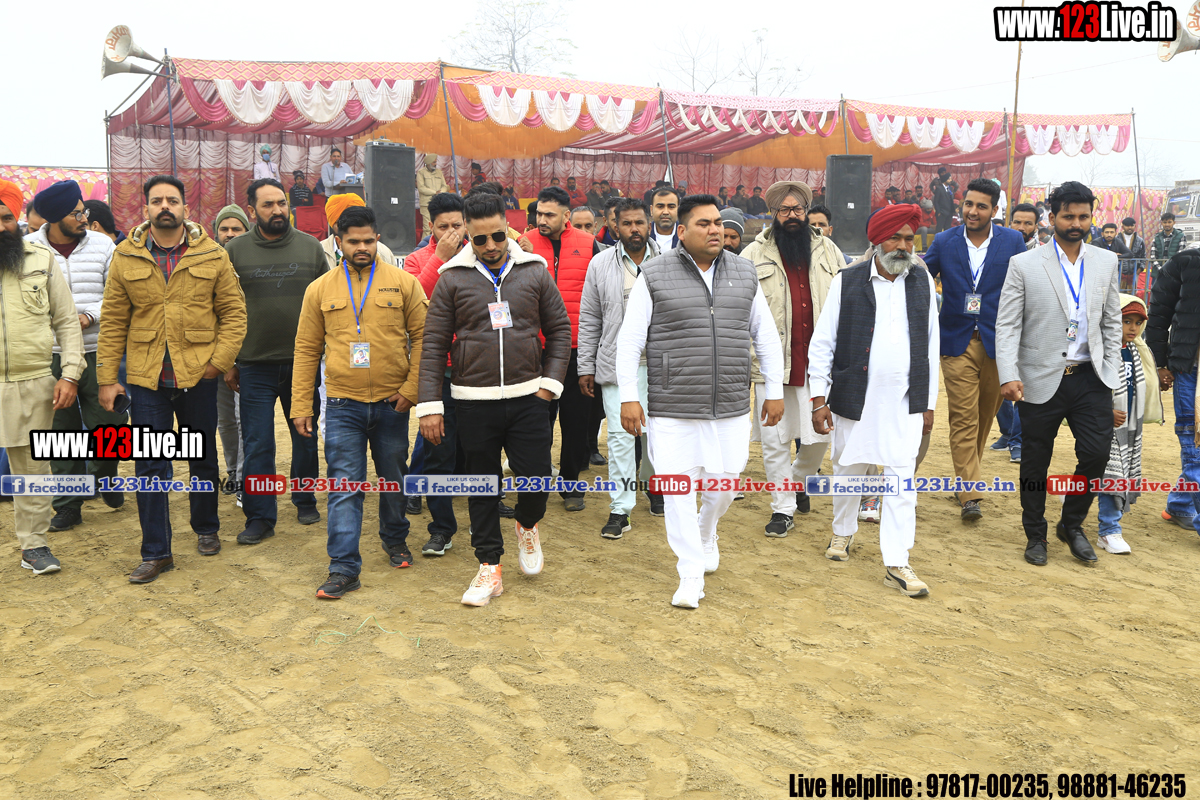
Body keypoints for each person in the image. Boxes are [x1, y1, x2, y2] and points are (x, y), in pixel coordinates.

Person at [616, 194, 783, 607]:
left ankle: (707, 529)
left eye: (717, 223)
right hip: (673, 406)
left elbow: (765, 335)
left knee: (724, 486)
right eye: (704, 224)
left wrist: (775, 390)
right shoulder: (655, 274)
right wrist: (628, 397)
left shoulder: (744, 272)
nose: (714, 230)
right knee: (677, 491)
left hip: (730, 404)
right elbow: (630, 341)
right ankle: (690, 574)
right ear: (682, 230)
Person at [416, 192, 571, 607]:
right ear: (468, 235)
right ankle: (489, 566)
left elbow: (560, 330)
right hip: (472, 401)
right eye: (480, 239)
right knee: (482, 486)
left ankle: (527, 524)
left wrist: (549, 386)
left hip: (529, 399)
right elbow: (433, 346)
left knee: (536, 480)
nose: (490, 246)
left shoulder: (534, 271)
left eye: (498, 236)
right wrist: (430, 405)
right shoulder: (452, 278)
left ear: (509, 228)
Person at [97, 175, 248, 583]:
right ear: (145, 208)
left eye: (172, 200)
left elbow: (234, 314)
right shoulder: (126, 255)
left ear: (185, 207)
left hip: (198, 375)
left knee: (202, 457)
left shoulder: (212, 254)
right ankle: (156, 552)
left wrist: (217, 363)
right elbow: (113, 321)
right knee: (149, 465)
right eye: (157, 200)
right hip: (147, 380)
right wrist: (107, 378)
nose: (165, 206)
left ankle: (206, 527)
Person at [289, 205, 425, 597]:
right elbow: (306, 349)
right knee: (344, 483)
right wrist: (301, 405)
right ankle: (343, 568)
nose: (361, 247)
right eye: (353, 242)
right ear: (339, 242)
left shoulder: (403, 283)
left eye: (368, 240)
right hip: (342, 404)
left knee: (393, 477)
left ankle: (395, 538)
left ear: (377, 238)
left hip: (392, 403)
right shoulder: (320, 289)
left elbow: (424, 338)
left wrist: (411, 390)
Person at [808, 203, 939, 597]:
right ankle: (842, 531)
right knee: (848, 468)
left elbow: (931, 345)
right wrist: (818, 398)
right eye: (895, 238)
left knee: (901, 480)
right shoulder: (847, 281)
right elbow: (823, 343)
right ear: (877, 241)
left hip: (905, 401)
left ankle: (897, 561)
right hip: (855, 396)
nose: (903, 246)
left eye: (908, 239)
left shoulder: (921, 280)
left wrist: (929, 403)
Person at [996, 181, 1121, 567]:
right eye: (1068, 216)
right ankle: (1035, 533)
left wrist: (1112, 375)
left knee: (1097, 454)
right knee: (1035, 460)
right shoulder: (1024, 264)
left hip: (1090, 377)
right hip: (1039, 376)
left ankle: (1071, 524)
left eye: (1083, 216)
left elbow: (1112, 323)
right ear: (1052, 218)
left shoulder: (1106, 262)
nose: (1076, 223)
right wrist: (1008, 374)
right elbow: (1007, 324)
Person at [224, 177, 328, 544]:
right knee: (258, 443)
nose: (277, 210)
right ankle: (260, 516)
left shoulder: (311, 248)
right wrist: (229, 361)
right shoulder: (234, 251)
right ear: (252, 210)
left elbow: (327, 304)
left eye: (281, 203)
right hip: (253, 365)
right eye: (268, 205)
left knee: (305, 436)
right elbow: (222, 308)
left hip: (303, 364)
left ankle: (304, 499)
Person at [740, 182, 846, 537]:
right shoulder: (752, 254)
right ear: (774, 213)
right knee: (774, 441)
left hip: (819, 364)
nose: (792, 216)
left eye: (798, 209)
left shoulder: (829, 250)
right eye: (784, 210)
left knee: (820, 437)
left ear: (806, 211)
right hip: (772, 364)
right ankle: (782, 508)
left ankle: (798, 481)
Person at [921, 178, 1027, 523]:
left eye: (981, 206)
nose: (973, 211)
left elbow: (1026, 287)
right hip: (957, 341)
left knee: (984, 416)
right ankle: (970, 494)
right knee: (963, 416)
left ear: (994, 210)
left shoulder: (1012, 241)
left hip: (1000, 344)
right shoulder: (944, 241)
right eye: (968, 204)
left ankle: (967, 476)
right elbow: (920, 276)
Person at [25, 180, 126, 532]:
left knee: (111, 425)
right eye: (76, 213)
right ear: (55, 218)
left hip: (100, 350)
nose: (84, 218)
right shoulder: (29, 250)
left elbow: (116, 293)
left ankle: (106, 475)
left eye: (84, 211)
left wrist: (88, 316)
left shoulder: (103, 245)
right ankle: (68, 505)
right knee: (60, 433)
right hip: (49, 355)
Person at [0, 180, 85, 575]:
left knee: (32, 468)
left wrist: (69, 374)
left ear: (16, 218)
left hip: (33, 380)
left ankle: (34, 546)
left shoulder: (41, 260)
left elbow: (66, 322)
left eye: (5, 218)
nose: (0, 226)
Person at [578, 198, 665, 538]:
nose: (634, 229)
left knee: (658, 434)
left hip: (660, 365)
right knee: (619, 437)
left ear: (649, 224)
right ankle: (620, 508)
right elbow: (590, 319)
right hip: (616, 364)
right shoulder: (600, 264)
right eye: (626, 223)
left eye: (639, 222)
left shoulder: (671, 262)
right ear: (615, 226)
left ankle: (655, 487)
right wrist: (586, 366)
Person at [521, 186, 602, 511]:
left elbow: (598, 297)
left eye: (549, 215)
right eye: (539, 213)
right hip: (535, 350)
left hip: (576, 350)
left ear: (566, 216)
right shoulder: (523, 243)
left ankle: (571, 487)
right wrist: (525, 256)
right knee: (536, 424)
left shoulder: (589, 244)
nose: (542, 220)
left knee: (575, 423)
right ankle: (537, 486)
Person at [1094, 294, 1162, 554]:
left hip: (1129, 425)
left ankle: (1076, 495)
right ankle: (1109, 530)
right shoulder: (1101, 350)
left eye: (1137, 322)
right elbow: (1089, 389)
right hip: (1104, 423)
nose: (1133, 328)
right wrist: (1106, 411)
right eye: (1126, 321)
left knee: (1106, 472)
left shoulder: (1137, 351)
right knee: (1114, 475)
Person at [1145, 239, 1200, 531]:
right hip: (1189, 368)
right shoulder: (1184, 261)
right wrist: (1160, 363)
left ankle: (1180, 504)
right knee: (1194, 440)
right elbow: (1157, 316)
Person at [212, 204, 249, 502]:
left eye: (237, 229)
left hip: (248, 356)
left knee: (243, 419)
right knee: (225, 420)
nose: (230, 234)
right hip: (214, 357)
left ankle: (243, 481)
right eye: (224, 229)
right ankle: (232, 472)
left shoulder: (254, 262)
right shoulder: (208, 263)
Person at [321, 194, 396, 268]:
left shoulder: (383, 253)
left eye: (353, 223)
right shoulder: (319, 250)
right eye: (340, 224)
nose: (347, 228)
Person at [416, 154, 448, 234]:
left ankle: (437, 242)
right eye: (434, 162)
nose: (435, 164)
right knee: (427, 228)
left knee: (439, 226)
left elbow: (445, 186)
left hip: (438, 203)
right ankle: (425, 242)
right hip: (426, 204)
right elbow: (421, 188)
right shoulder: (421, 172)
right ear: (428, 163)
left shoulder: (439, 172)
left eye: (436, 162)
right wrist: (434, 192)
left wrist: (441, 192)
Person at [650, 187, 680, 252]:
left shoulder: (688, 236)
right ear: (651, 210)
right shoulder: (643, 235)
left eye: (671, 207)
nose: (665, 212)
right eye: (660, 207)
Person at [931, 168, 955, 233]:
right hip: (942, 213)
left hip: (949, 213)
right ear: (945, 180)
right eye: (949, 179)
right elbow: (936, 201)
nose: (951, 180)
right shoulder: (939, 188)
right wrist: (938, 212)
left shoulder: (951, 188)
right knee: (939, 229)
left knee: (947, 230)